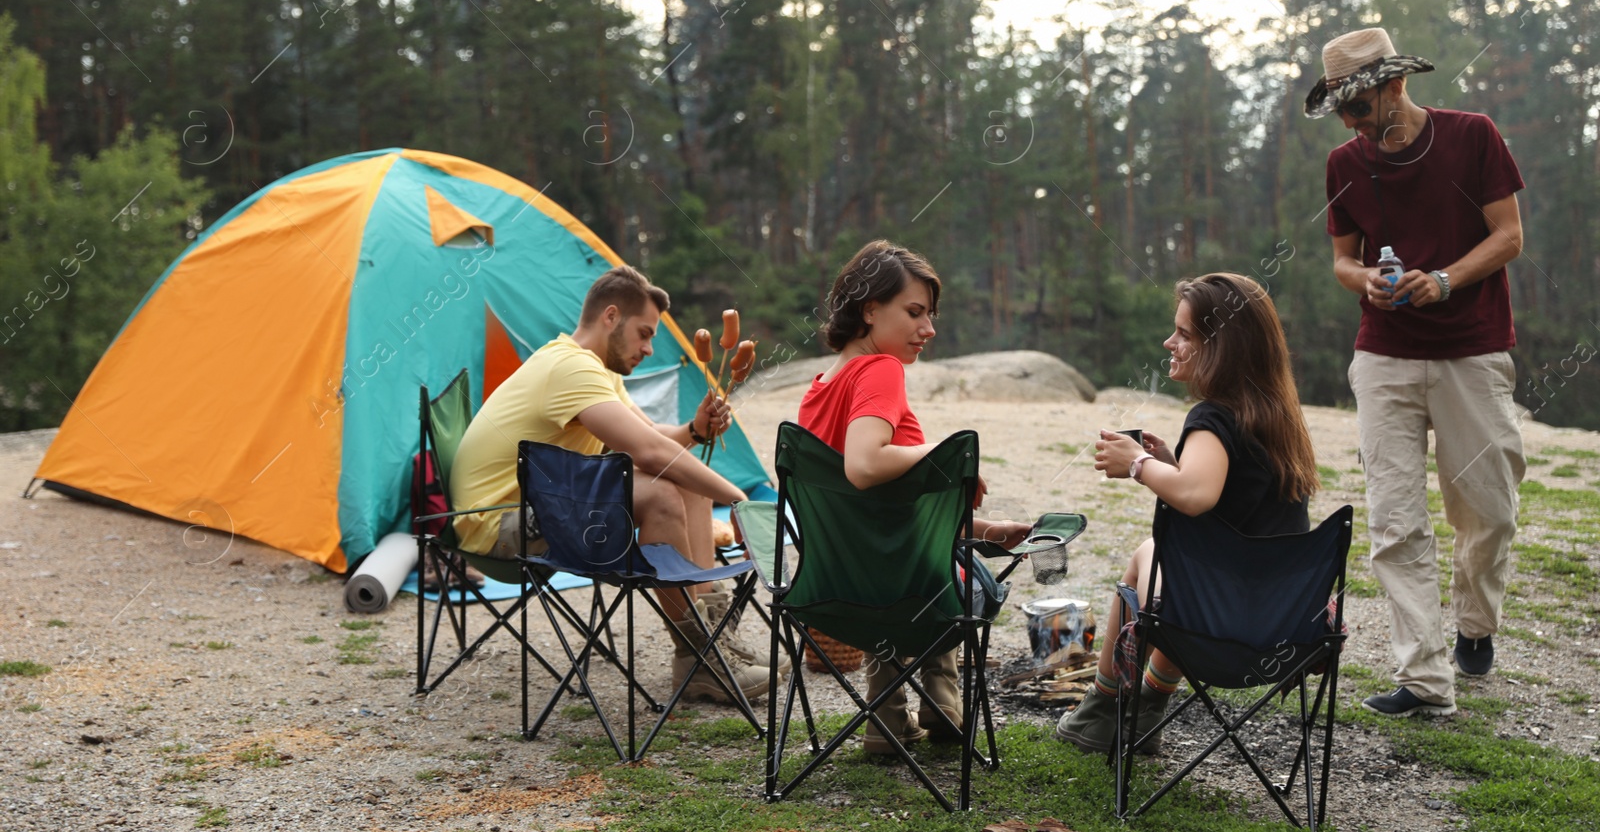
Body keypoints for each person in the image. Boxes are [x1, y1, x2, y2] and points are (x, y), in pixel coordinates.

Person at [1308, 27, 1526, 718]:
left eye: (1358, 106)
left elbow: (1509, 235)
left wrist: (1444, 278)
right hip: (1384, 355)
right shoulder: (1346, 163)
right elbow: (1343, 258)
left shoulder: (1473, 136)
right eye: (1341, 111)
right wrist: (1364, 279)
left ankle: (1473, 623)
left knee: (1488, 510)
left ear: (1395, 84)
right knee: (1396, 519)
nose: (1350, 123)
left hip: (1472, 348)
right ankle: (1425, 679)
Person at [449, 264, 777, 703]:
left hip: (534, 511)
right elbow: (651, 455)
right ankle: (703, 655)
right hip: (496, 528)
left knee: (686, 483)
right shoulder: (570, 368)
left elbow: (655, 439)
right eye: (644, 333)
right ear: (610, 317)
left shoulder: (592, 372)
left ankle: (703, 653)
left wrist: (696, 430)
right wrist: (741, 500)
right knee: (662, 489)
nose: (648, 348)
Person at [1055, 273, 1320, 755]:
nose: (1169, 342)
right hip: (1283, 625)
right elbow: (1233, 505)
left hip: (1215, 626)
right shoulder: (1277, 417)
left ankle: (1104, 707)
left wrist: (1137, 464)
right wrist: (1173, 466)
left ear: (1222, 347)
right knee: (1185, 564)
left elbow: (1196, 498)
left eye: (1184, 334)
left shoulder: (1213, 418)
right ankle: (1145, 711)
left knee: (1150, 556)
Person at [798, 240, 1032, 756]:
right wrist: (947, 456)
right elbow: (863, 467)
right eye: (914, 313)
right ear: (869, 309)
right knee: (969, 584)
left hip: (833, 585)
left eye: (930, 314)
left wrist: (989, 531)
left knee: (920, 562)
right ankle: (943, 701)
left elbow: (884, 515)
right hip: (900, 586)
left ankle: (885, 719)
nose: (929, 329)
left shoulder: (819, 388)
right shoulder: (880, 371)